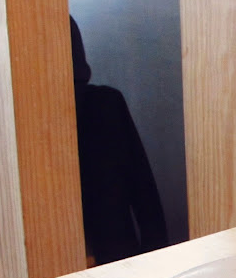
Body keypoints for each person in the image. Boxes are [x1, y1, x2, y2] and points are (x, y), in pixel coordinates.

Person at [70, 16, 169, 265]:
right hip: (115, 256)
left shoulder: (103, 104)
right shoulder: (104, 103)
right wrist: (157, 256)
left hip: (105, 258)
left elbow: (142, 184)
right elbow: (143, 188)